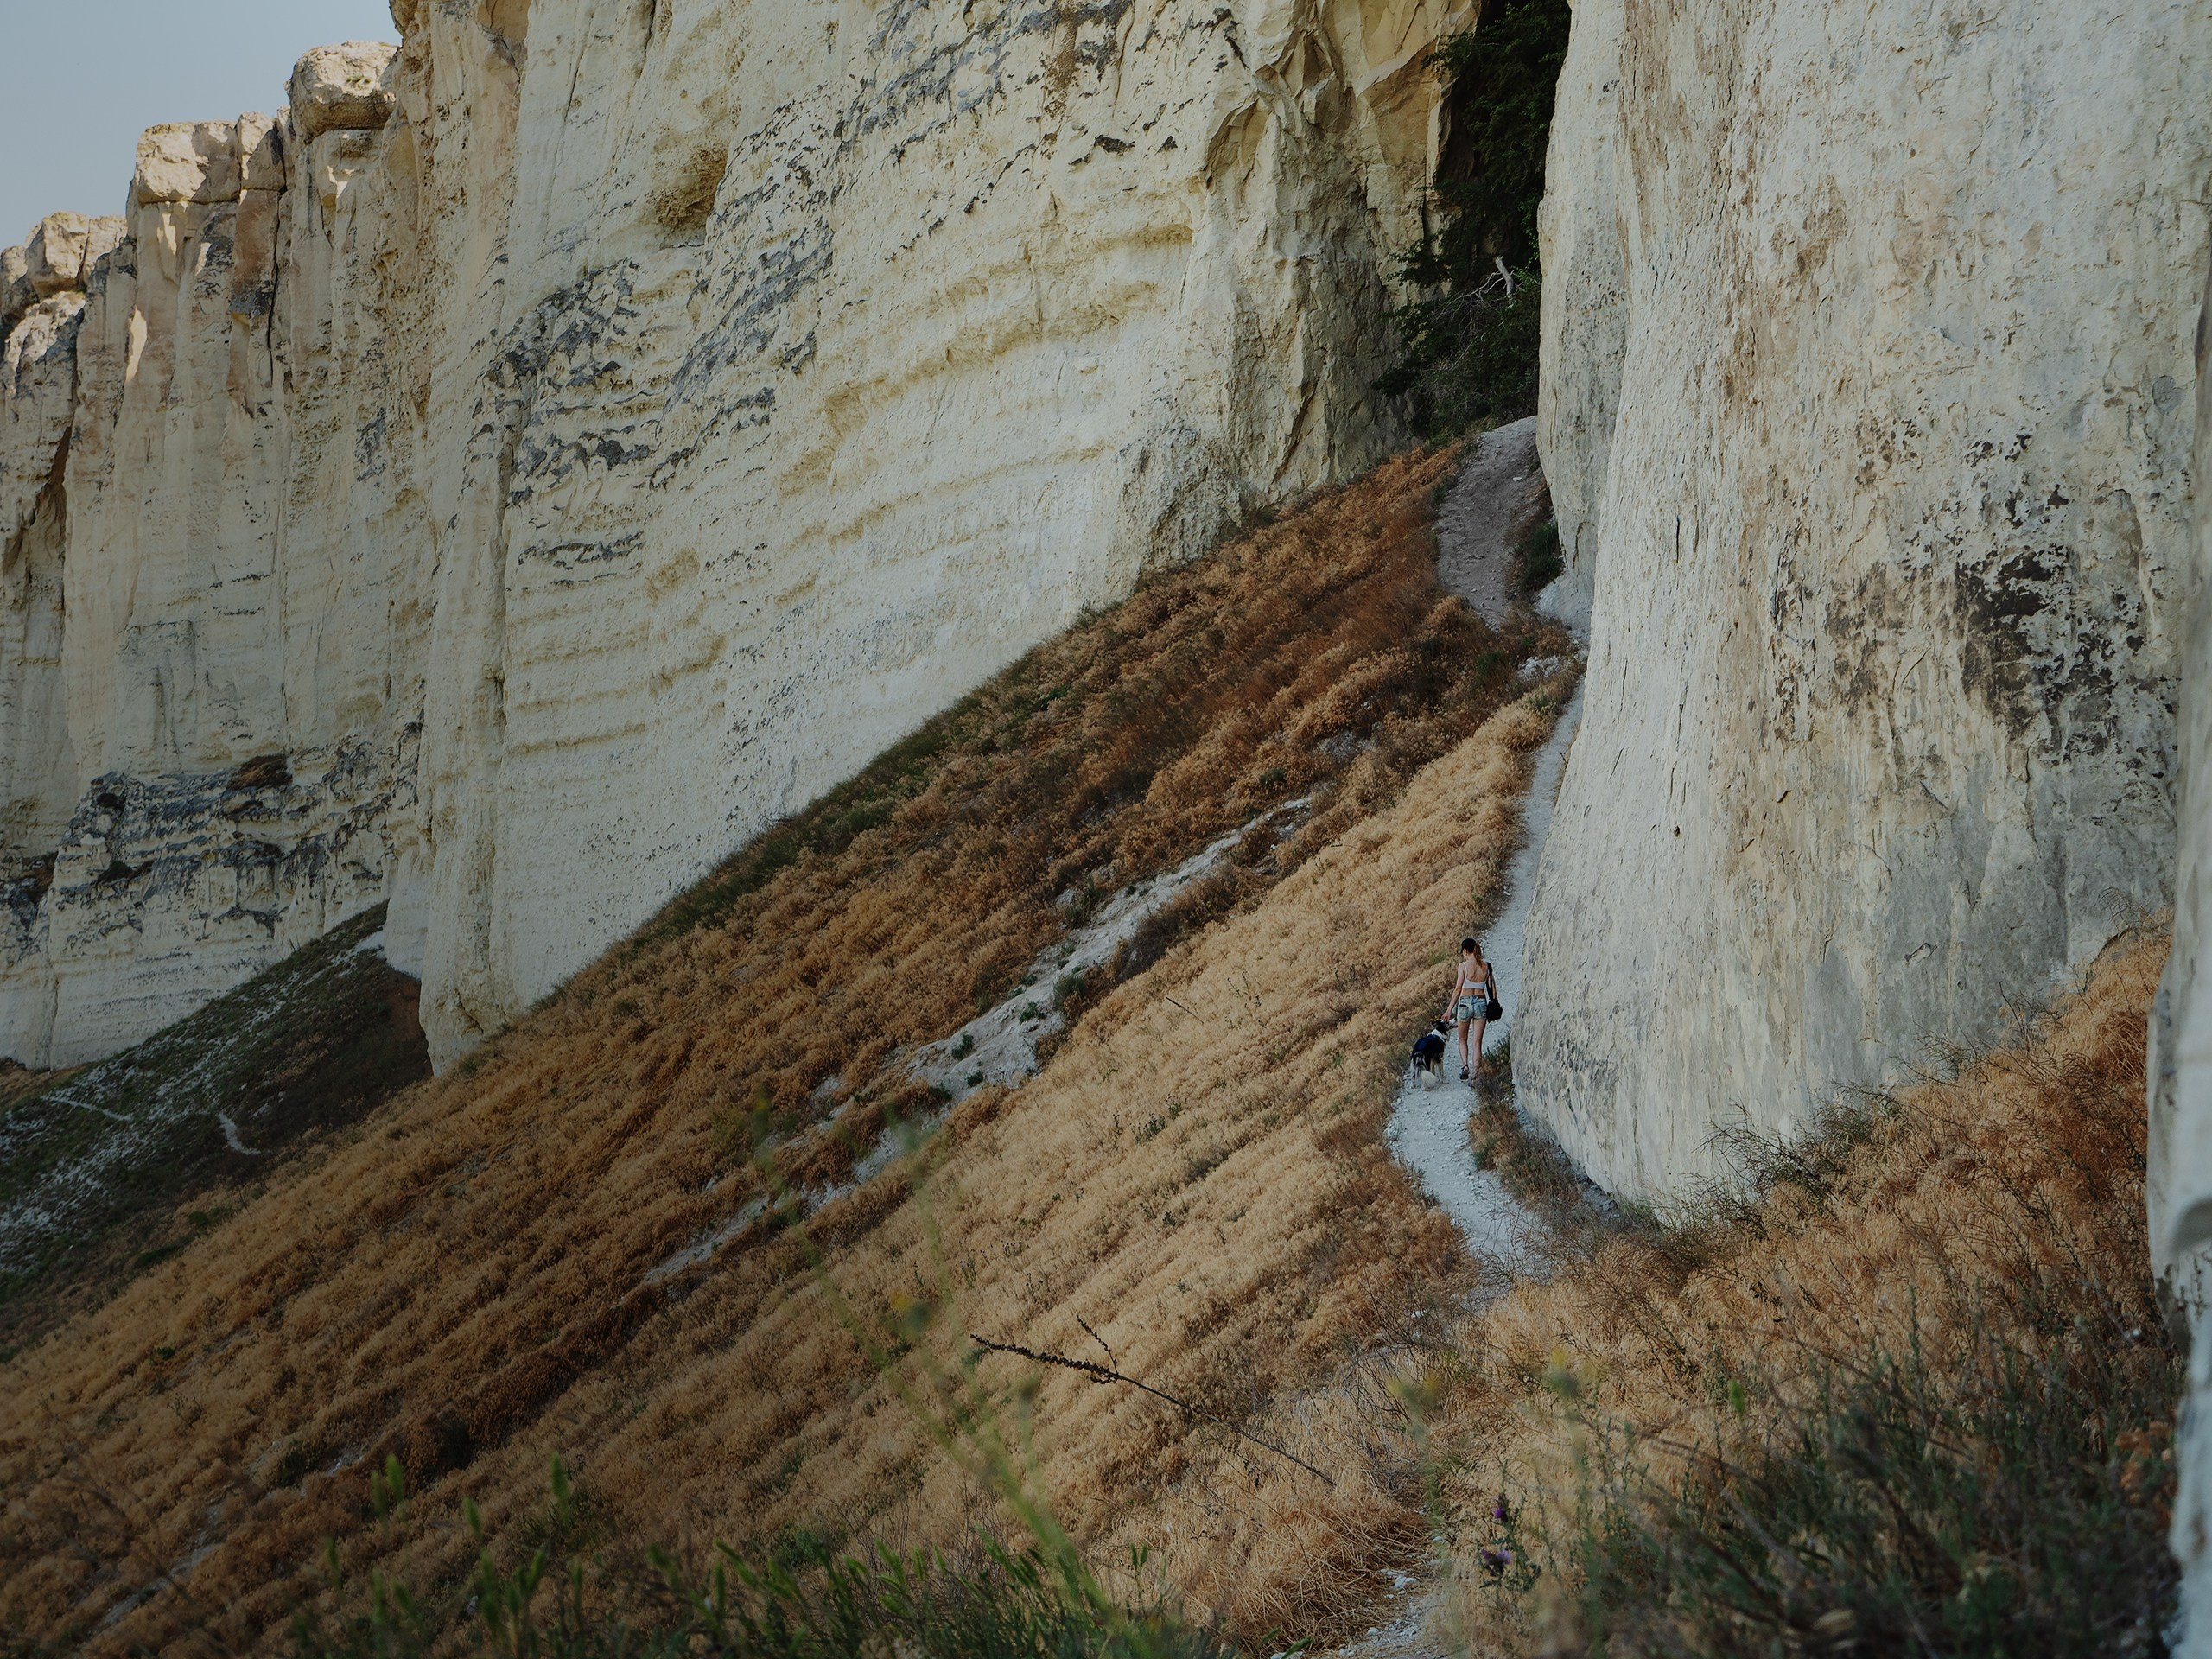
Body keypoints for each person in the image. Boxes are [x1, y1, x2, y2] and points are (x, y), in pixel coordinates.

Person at [1442, 937, 1496, 1082]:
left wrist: (1449, 1010)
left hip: (1465, 1003)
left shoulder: (1463, 966)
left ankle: (1465, 1066)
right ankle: (1475, 1076)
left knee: (1462, 1038)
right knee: (1477, 1042)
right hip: (1481, 1002)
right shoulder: (1486, 966)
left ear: (1465, 951)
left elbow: (1458, 988)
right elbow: (1493, 989)